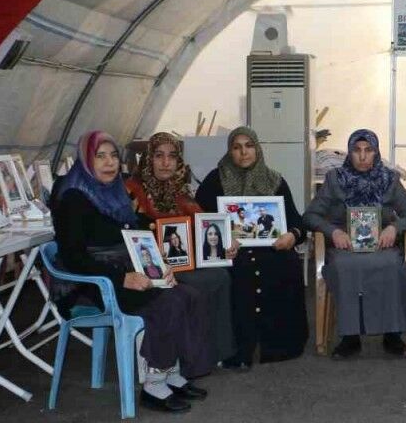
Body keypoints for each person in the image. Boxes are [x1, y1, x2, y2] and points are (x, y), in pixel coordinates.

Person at [50, 131, 209, 413]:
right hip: (90, 284)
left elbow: (136, 232)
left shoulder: (115, 192)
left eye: (114, 156)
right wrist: (122, 278)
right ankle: (153, 385)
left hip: (122, 270)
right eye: (100, 156)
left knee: (189, 295)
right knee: (167, 303)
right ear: (86, 160)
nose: (110, 163)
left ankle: (172, 373)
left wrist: (162, 265)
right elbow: (74, 258)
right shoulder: (73, 198)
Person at [196, 127, 308, 367]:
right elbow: (200, 220)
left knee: (287, 264)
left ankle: (278, 345)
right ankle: (236, 348)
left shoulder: (275, 180)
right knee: (239, 270)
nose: (243, 152)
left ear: (257, 149)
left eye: (249, 146)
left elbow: (297, 221)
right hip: (231, 251)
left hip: (270, 247)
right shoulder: (215, 181)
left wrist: (292, 235)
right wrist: (221, 240)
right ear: (230, 151)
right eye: (237, 147)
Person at [305, 129, 406, 359]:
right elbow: (310, 216)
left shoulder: (390, 180)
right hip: (345, 247)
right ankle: (350, 337)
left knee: (393, 266)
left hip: (382, 246)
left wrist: (394, 228)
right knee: (345, 267)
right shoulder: (335, 179)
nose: (363, 156)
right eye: (357, 150)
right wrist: (333, 231)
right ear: (350, 153)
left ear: (376, 152)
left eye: (369, 150)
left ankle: (392, 334)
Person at [125, 131, 236, 369]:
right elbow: (127, 236)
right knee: (198, 284)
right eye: (159, 156)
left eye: (172, 156)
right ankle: (190, 357)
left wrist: (225, 244)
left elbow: (204, 226)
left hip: (180, 262)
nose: (166, 163)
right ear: (148, 159)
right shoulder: (132, 192)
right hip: (149, 267)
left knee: (220, 275)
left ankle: (217, 351)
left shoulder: (180, 193)